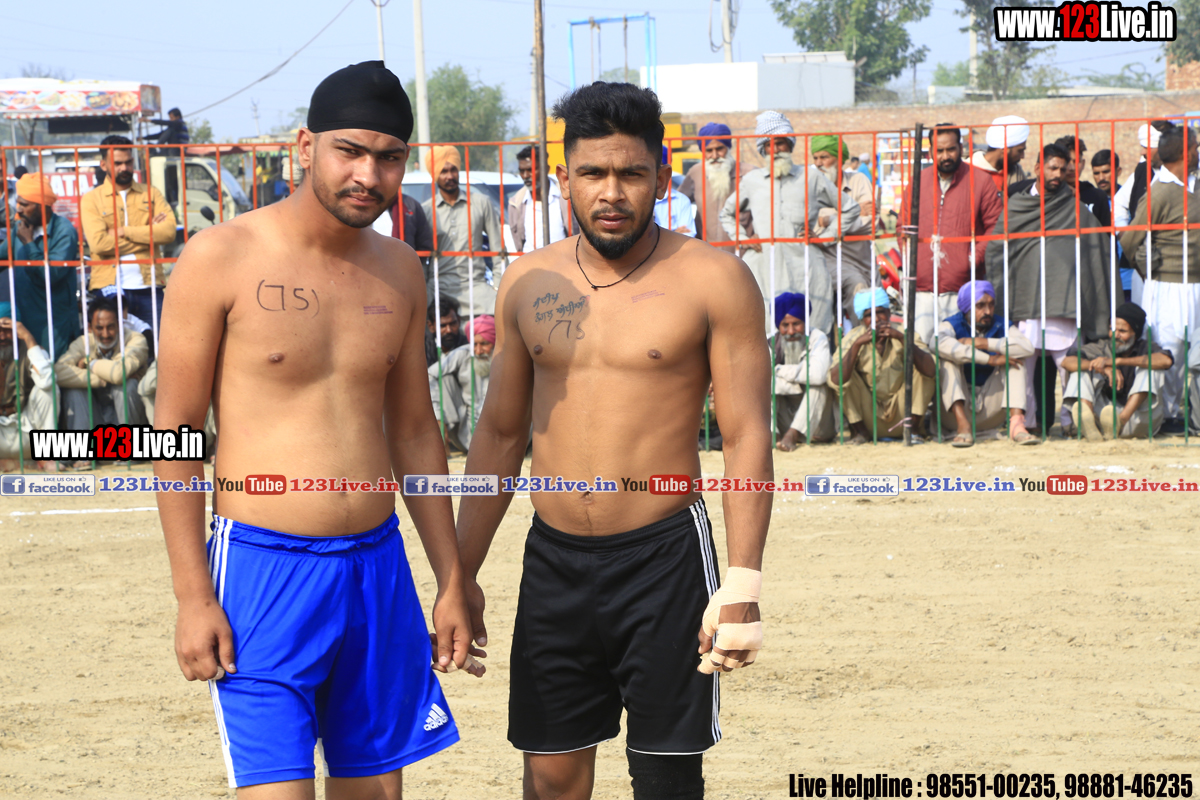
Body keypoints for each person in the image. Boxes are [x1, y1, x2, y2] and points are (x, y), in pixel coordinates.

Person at [149, 61, 477, 795]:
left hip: (377, 567)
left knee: (377, 791)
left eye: (389, 157)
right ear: (305, 146)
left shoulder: (400, 269)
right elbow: (174, 428)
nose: (369, 174)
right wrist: (193, 596)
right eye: (349, 151)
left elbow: (415, 431)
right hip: (262, 570)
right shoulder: (220, 257)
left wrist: (452, 578)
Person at [455, 81, 771, 800]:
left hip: (666, 560)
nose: (612, 193)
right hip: (554, 560)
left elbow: (747, 434)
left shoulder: (713, 279)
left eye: (631, 173)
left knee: (666, 777)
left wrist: (743, 583)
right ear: (563, 177)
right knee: (550, 778)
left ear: (662, 175)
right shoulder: (527, 280)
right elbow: (500, 433)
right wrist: (460, 574)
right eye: (593, 173)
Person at [988, 143, 1112, 433]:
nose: (1058, 174)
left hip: (1064, 302)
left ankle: (1073, 423)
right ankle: (1024, 422)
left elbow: (1098, 245)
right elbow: (997, 249)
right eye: (1052, 168)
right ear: (1037, 168)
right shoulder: (1017, 205)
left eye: (1063, 169)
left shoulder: (1075, 208)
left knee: (1070, 369)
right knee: (1022, 368)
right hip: (1027, 301)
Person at [718, 110, 858, 337]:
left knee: (813, 328)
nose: (776, 150)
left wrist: (824, 237)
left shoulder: (811, 178)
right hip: (764, 265)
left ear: (790, 145)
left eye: (781, 143)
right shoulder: (752, 181)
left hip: (805, 266)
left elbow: (850, 208)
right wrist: (743, 239)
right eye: (769, 145)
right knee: (764, 330)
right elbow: (727, 213)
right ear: (763, 149)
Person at [1120, 126, 1200, 426]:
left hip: (1196, 283)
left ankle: (1185, 413)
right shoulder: (1160, 192)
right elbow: (1130, 240)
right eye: (1195, 147)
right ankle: (1164, 416)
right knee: (1170, 350)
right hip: (1168, 286)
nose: (1198, 152)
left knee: (1194, 352)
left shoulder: (1194, 184)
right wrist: (1149, 269)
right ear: (1184, 153)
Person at [901, 123, 1004, 347]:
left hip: (962, 289)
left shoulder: (980, 182)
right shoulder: (918, 182)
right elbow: (904, 227)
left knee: (959, 354)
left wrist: (972, 259)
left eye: (951, 149)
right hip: (921, 289)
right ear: (931, 151)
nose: (945, 156)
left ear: (961, 147)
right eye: (939, 150)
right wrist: (913, 262)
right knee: (921, 352)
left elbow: (996, 227)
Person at [79, 135, 176, 339]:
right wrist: (149, 234)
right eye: (118, 163)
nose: (124, 168)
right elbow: (99, 244)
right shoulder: (91, 199)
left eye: (128, 162)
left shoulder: (151, 194)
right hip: (109, 288)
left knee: (158, 348)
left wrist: (125, 231)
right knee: (115, 350)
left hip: (149, 287)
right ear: (104, 165)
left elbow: (168, 232)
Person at [935, 281, 1038, 445]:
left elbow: (1027, 347)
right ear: (967, 307)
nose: (988, 311)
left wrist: (983, 343)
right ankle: (963, 426)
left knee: (1015, 360)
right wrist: (989, 359)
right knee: (948, 359)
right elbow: (937, 343)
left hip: (991, 412)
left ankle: (1017, 425)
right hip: (954, 415)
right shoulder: (951, 324)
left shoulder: (1001, 324)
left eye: (991, 305)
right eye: (980, 305)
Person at [829, 288, 936, 444]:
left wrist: (902, 339)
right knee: (841, 374)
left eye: (880, 312)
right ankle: (859, 432)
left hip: (903, 416)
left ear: (888, 313)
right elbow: (835, 380)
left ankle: (912, 431)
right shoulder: (853, 338)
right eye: (868, 315)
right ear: (861, 319)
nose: (876, 319)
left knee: (926, 364)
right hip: (869, 420)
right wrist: (857, 345)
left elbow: (931, 370)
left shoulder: (904, 332)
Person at [1063, 302, 1173, 439]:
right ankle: (1088, 421)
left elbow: (1166, 361)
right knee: (1081, 370)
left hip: (1138, 420)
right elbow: (1067, 362)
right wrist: (1102, 367)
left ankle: (1119, 422)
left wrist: (1117, 361)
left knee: (1150, 368)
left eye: (1122, 331)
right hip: (1104, 419)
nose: (1115, 335)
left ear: (1135, 334)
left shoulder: (1146, 347)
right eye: (1112, 329)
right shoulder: (1102, 346)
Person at [0, 172, 81, 356]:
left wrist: (29, 243)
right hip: (24, 318)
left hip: (54, 323)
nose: (18, 209)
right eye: (18, 203)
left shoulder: (64, 231)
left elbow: (50, 275)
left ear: (42, 206)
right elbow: (2, 256)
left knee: (51, 370)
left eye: (24, 205)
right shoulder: (20, 228)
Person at [422, 145, 504, 316]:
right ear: (435, 175)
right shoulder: (427, 210)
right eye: (443, 171)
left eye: (453, 170)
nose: (450, 176)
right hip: (438, 287)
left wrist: (498, 286)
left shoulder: (481, 202)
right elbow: (421, 258)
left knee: (499, 316)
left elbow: (498, 249)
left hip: (475, 285)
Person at [55, 297, 149, 429]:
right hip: (95, 413)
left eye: (110, 327)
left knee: (125, 386)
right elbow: (58, 372)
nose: (105, 334)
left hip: (128, 419)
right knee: (74, 391)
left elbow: (117, 373)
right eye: (99, 328)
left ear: (119, 325)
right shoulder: (83, 342)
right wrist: (101, 380)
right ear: (89, 328)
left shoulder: (135, 339)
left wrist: (89, 363)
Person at [811, 133, 875, 326]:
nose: (819, 163)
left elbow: (871, 221)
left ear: (839, 159)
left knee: (875, 305)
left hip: (861, 259)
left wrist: (828, 218)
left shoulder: (859, 180)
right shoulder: (810, 187)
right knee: (855, 284)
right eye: (815, 158)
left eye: (824, 157)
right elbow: (811, 227)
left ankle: (861, 340)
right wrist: (852, 212)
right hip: (827, 258)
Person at [771, 292, 834, 450]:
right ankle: (772, 434)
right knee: (762, 387)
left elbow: (818, 375)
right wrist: (800, 381)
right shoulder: (769, 341)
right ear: (778, 326)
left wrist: (778, 370)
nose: (791, 331)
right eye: (785, 325)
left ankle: (793, 435)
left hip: (817, 425)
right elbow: (761, 379)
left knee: (819, 385)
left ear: (805, 322)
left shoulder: (817, 338)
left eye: (796, 324)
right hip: (783, 420)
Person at [0, 306, 57, 466]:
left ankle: (46, 456)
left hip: (26, 433)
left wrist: (29, 339)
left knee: (48, 390)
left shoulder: (32, 351)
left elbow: (47, 381)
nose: (2, 336)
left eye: (8, 330)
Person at [429, 314, 494, 452]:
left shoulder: (508, 357)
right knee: (444, 379)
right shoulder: (464, 353)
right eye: (474, 344)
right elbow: (430, 374)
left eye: (484, 344)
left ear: (495, 343)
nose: (478, 351)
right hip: (467, 435)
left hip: (504, 435)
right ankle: (444, 439)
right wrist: (438, 418)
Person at [679, 122, 738, 250]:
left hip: (741, 250)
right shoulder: (695, 172)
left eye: (720, 149)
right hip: (705, 250)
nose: (715, 156)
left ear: (728, 148)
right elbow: (677, 202)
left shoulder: (747, 172)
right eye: (709, 151)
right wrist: (676, 229)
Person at [507, 145, 572, 254]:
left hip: (564, 261)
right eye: (522, 171)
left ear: (546, 169)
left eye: (531, 170)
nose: (526, 175)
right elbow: (518, 242)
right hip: (531, 262)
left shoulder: (565, 197)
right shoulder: (516, 202)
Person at [1053, 135, 1112, 227]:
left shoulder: (1097, 197)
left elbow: (1106, 233)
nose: (1072, 168)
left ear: (1083, 164)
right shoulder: (1047, 194)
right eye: (1067, 162)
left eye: (1076, 161)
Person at [971, 115, 1029, 192]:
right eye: (1020, 151)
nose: (1022, 156)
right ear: (1004, 149)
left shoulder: (1016, 171)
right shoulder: (967, 170)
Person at [654, 146, 696, 236]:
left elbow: (688, 235)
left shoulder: (680, 200)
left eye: (656, 166)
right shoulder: (633, 199)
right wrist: (674, 235)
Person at [426, 294, 468, 367]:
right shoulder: (423, 349)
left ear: (459, 321)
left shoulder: (468, 346)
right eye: (442, 326)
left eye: (453, 323)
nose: (449, 330)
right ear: (431, 326)